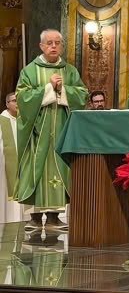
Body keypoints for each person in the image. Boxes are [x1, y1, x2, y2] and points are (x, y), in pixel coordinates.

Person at [14, 29, 88, 230]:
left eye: (57, 43)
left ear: (62, 46)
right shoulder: (30, 70)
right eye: (49, 43)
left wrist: (63, 90)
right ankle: (35, 217)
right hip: (37, 132)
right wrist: (48, 88)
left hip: (62, 129)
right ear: (41, 46)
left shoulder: (70, 71)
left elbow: (82, 94)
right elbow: (22, 97)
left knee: (60, 166)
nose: (54, 46)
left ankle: (55, 217)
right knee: (35, 168)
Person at [0, 92, 22, 222]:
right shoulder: (2, 120)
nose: (17, 103)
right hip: (4, 165)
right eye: (14, 101)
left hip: (22, 163)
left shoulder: (23, 119)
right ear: (7, 104)